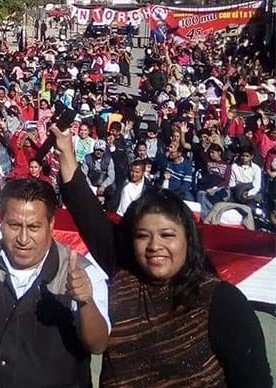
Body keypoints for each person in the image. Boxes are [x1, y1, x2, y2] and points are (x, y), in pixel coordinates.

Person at [50, 123, 272, 387]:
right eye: (143, 236)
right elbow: (84, 207)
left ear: (188, 240)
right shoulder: (124, 270)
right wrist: (65, 149)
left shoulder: (221, 299)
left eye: (167, 235)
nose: (155, 245)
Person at [0, 178, 110, 387]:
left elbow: (98, 344)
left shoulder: (83, 272)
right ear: (1, 222)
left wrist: (85, 302)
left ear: (51, 224)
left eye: (34, 226)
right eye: (14, 225)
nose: (23, 238)